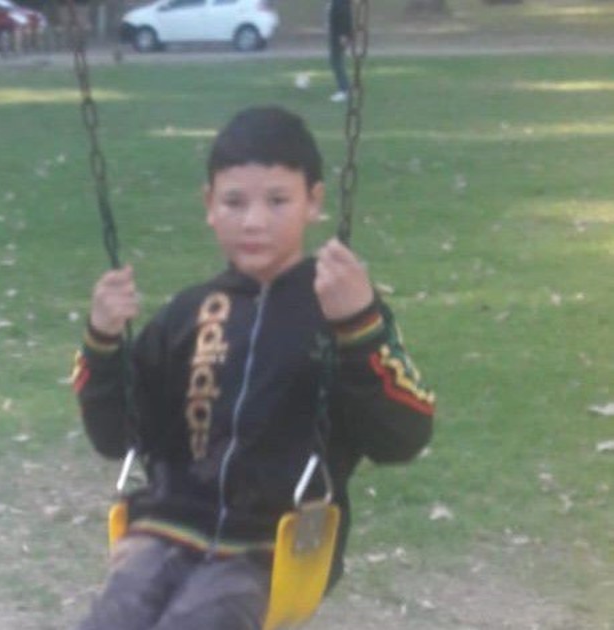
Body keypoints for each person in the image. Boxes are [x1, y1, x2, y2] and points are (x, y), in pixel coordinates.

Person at [71, 106, 434, 630]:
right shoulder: (188, 314)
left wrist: (359, 326)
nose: (254, 221)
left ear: (314, 202)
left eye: (277, 201)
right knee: (114, 617)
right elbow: (115, 437)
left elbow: (405, 437)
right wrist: (103, 341)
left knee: (195, 620)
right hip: (167, 528)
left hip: (271, 546)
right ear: (209, 206)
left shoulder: (339, 309)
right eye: (234, 202)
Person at [327, 0, 352, 103]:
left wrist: (343, 35)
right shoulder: (337, 2)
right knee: (336, 61)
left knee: (336, 62)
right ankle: (344, 88)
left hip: (338, 36)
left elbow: (344, 17)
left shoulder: (339, 3)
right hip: (336, 35)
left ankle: (344, 90)